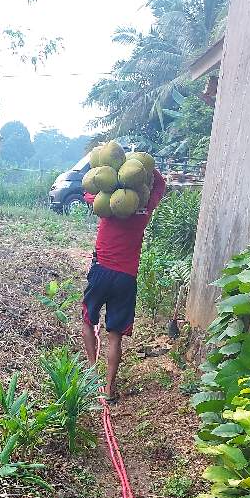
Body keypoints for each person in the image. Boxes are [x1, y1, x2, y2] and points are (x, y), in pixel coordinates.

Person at [81, 166, 167, 403]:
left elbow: (89, 189)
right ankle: (108, 389)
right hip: (126, 279)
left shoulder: (107, 207)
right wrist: (147, 168)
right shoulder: (144, 212)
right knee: (114, 335)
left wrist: (113, 169)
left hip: (100, 272)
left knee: (88, 321)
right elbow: (160, 186)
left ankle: (91, 374)